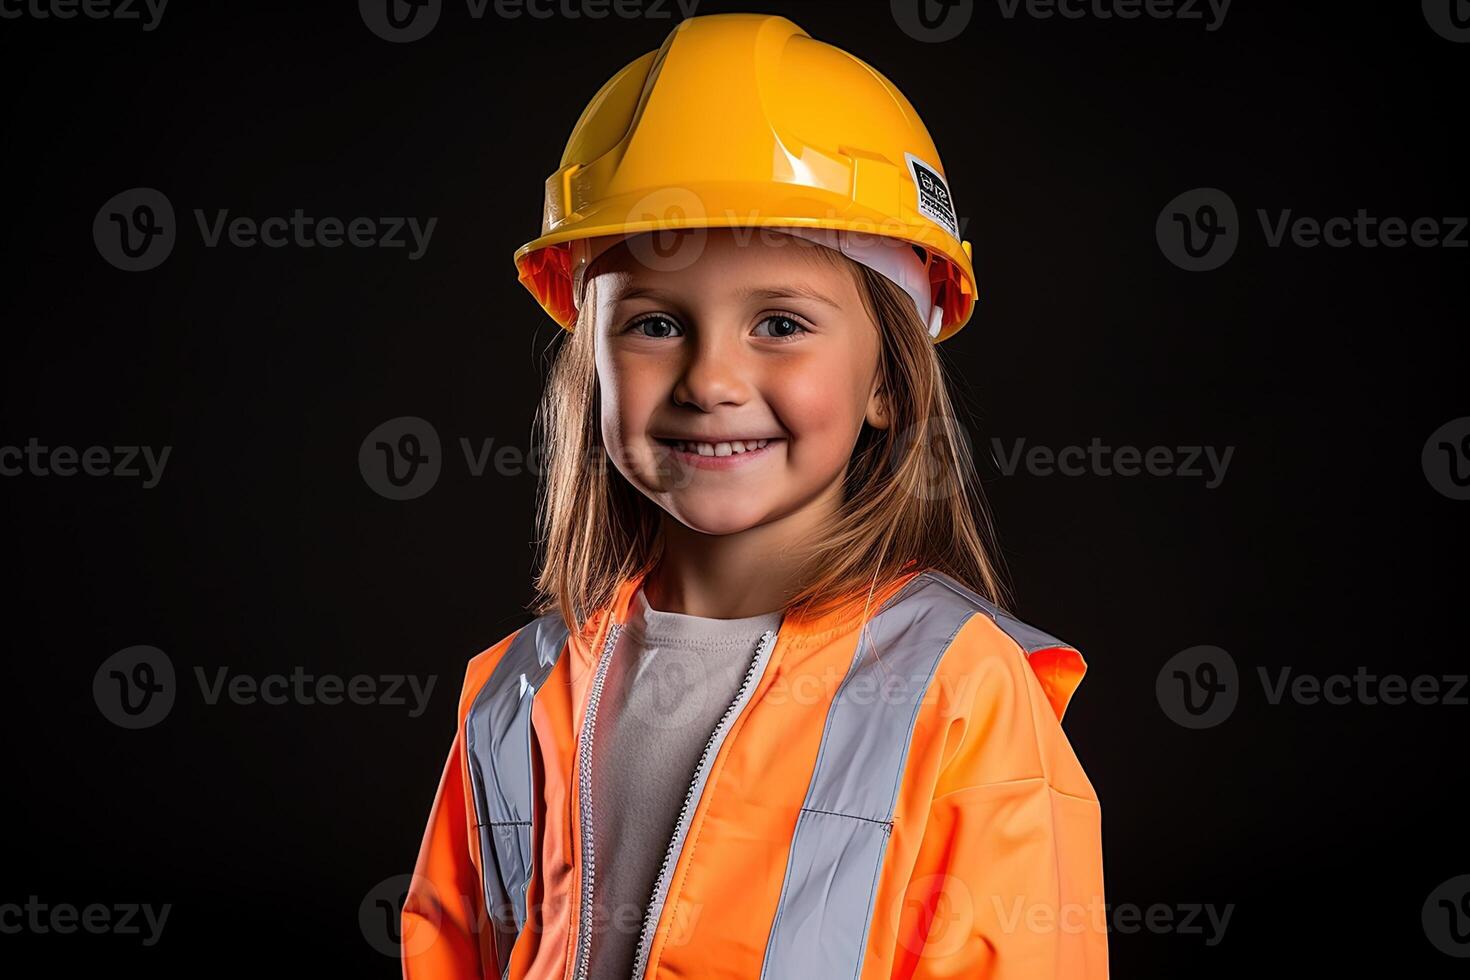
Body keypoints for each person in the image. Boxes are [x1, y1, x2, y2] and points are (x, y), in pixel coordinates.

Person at [403, 12, 1108, 979]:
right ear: (589, 366)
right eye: (652, 324)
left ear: (887, 382)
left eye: (779, 321)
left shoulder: (960, 696)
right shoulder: (515, 691)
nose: (709, 379)